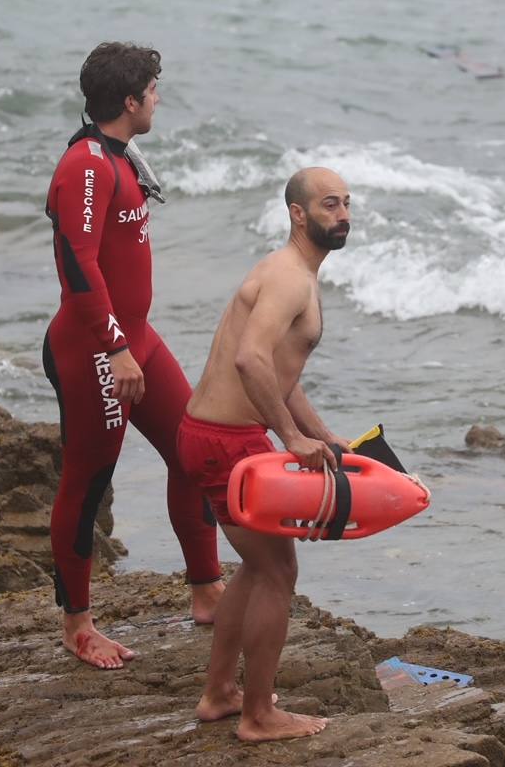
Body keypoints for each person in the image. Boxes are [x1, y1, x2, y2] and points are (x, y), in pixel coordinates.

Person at [42, 42, 224, 670]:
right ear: (128, 101)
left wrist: (130, 340)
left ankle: (206, 590)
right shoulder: (86, 166)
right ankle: (78, 626)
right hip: (97, 347)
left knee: (193, 450)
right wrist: (115, 347)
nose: (158, 97)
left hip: (136, 336)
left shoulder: (118, 154)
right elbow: (77, 263)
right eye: (152, 88)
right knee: (89, 482)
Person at [178, 166, 353, 742]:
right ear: (298, 214)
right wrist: (290, 440)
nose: (343, 215)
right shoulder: (289, 279)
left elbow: (281, 374)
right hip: (229, 441)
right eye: (330, 205)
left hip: (209, 434)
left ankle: (220, 694)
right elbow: (250, 361)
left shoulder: (293, 272)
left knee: (259, 567)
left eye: (347, 204)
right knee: (279, 570)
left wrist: (321, 436)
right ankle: (259, 715)